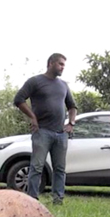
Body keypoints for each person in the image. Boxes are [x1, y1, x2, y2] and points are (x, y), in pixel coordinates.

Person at [14, 53, 78, 205]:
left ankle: (58, 199)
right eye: (60, 64)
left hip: (60, 134)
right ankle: (32, 200)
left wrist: (71, 123)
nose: (63, 67)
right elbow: (18, 99)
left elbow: (72, 106)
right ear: (50, 63)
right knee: (36, 167)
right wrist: (32, 116)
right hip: (42, 131)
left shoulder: (63, 85)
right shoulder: (35, 81)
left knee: (60, 169)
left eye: (64, 65)